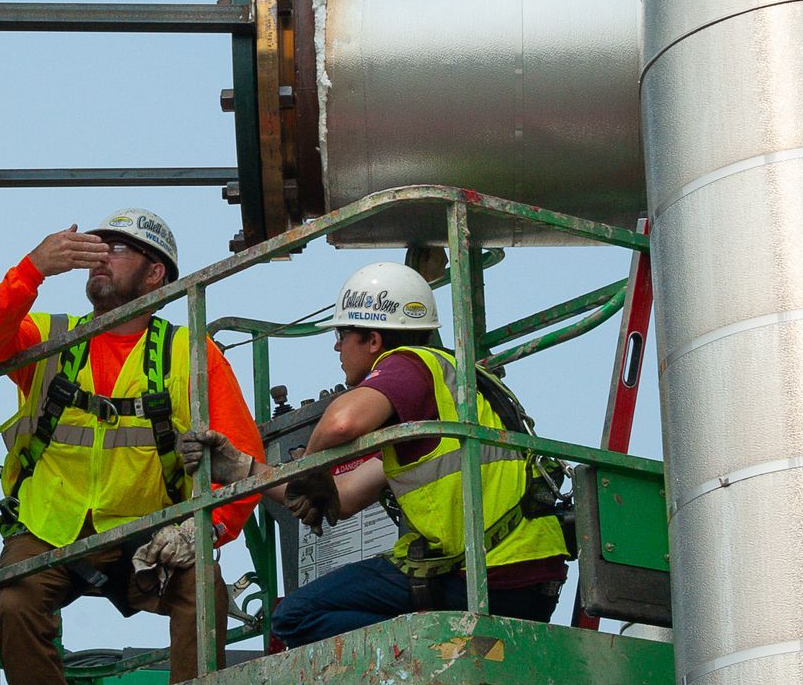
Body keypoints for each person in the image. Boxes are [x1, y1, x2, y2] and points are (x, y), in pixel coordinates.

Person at [0, 208, 264, 685]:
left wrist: (208, 528)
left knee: (204, 588)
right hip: (48, 525)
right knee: (13, 602)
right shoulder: (51, 338)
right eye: (95, 249)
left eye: (117, 249)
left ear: (155, 274)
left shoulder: (190, 354)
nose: (99, 258)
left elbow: (242, 458)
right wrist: (33, 268)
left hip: (143, 533)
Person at [181, 260, 569, 649]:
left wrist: (307, 466)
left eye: (342, 334)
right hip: (524, 581)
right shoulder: (450, 398)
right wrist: (244, 469)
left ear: (373, 341)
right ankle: (433, 651)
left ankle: (425, 659)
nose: (336, 346)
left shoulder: (410, 364)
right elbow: (343, 498)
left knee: (294, 618)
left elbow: (342, 423)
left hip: (488, 574)